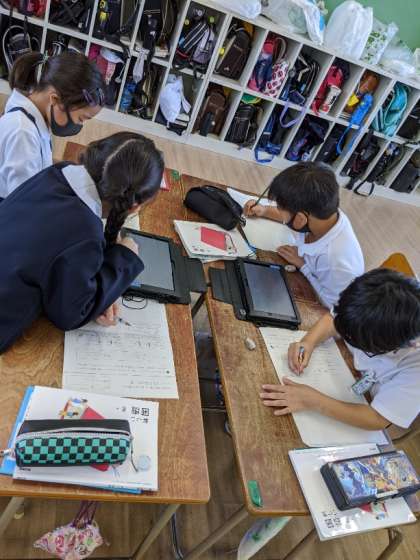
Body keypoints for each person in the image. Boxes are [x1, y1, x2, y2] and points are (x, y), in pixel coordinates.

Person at [0, 131, 164, 354]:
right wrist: (125, 257)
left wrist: (104, 294)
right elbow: (70, 314)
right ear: (135, 207)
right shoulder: (85, 233)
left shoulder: (58, 171)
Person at [260, 269, 420, 430]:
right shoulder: (376, 296)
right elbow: (334, 319)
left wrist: (314, 401)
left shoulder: (415, 368)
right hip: (348, 371)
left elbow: (378, 419)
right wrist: (308, 341)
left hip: (369, 405)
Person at [244, 162, 364, 308]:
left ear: (301, 218)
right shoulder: (323, 213)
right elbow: (292, 215)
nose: (278, 210)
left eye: (279, 208)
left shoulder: (338, 262)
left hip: (323, 306)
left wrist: (303, 265)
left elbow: (332, 305)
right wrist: (264, 210)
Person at [0, 51, 106, 200]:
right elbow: (25, 203)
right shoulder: (23, 132)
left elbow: (37, 170)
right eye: (81, 118)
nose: (80, 125)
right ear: (55, 100)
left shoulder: (37, 120)